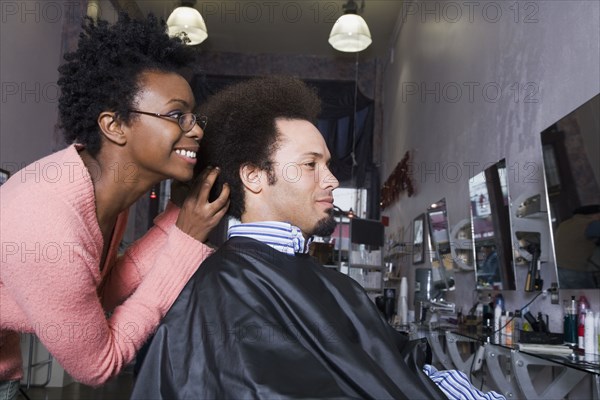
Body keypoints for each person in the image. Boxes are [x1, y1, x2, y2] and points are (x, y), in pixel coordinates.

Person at [131, 76, 505, 400]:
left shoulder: (333, 284)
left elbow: (399, 368)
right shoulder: (223, 289)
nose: (332, 180)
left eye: (327, 165)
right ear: (254, 176)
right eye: (310, 165)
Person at [0, 13, 229, 397]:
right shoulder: (48, 220)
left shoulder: (99, 190)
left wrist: (178, 219)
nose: (197, 129)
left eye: (194, 116)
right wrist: (185, 243)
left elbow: (96, 293)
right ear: (114, 125)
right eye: (177, 115)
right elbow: (98, 365)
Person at [555, 205, 600, 288]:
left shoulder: (564, 224)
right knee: (591, 298)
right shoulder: (591, 224)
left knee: (569, 298)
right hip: (574, 271)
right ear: (595, 214)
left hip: (558, 268)